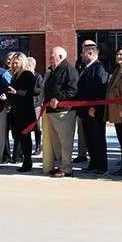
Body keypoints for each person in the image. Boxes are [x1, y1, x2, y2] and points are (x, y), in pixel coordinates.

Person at [42, 46, 80, 177]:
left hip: (64, 112)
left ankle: (66, 168)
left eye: (52, 56)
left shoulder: (69, 70)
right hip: (52, 112)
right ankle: (60, 165)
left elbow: (73, 90)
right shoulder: (52, 71)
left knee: (65, 141)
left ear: (60, 57)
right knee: (56, 142)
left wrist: (58, 98)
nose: (50, 58)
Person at [76, 42, 109, 174]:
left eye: (83, 53)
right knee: (89, 138)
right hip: (85, 110)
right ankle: (94, 163)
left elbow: (100, 88)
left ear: (90, 53)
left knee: (98, 137)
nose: (81, 55)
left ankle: (101, 166)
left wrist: (94, 106)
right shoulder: (86, 68)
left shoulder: (98, 67)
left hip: (94, 110)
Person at [6, 53, 37, 172]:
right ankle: (24, 159)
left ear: (22, 62)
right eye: (13, 63)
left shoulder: (27, 74)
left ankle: (27, 161)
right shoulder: (14, 76)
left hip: (25, 111)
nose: (14, 65)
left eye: (16, 63)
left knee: (25, 137)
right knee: (18, 136)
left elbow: (30, 92)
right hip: (16, 111)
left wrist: (16, 92)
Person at [27, 57, 44, 155]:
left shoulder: (38, 76)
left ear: (33, 66)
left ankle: (38, 146)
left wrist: (28, 90)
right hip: (27, 105)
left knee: (37, 127)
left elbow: (39, 90)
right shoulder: (25, 76)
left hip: (35, 105)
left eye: (28, 65)